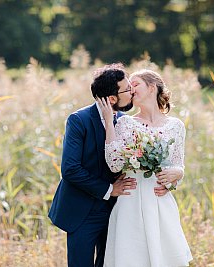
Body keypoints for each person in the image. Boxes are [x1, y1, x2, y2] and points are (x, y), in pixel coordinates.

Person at [48, 64, 170, 267]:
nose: (132, 91)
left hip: (117, 211)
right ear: (112, 99)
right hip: (82, 211)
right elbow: (70, 169)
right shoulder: (79, 120)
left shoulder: (125, 121)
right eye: (127, 89)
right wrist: (109, 189)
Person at [98, 69, 193, 266]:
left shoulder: (176, 126)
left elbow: (178, 165)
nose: (130, 89)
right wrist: (109, 121)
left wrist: (178, 173)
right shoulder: (125, 122)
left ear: (152, 88)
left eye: (136, 84)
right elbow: (114, 163)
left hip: (160, 200)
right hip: (131, 199)